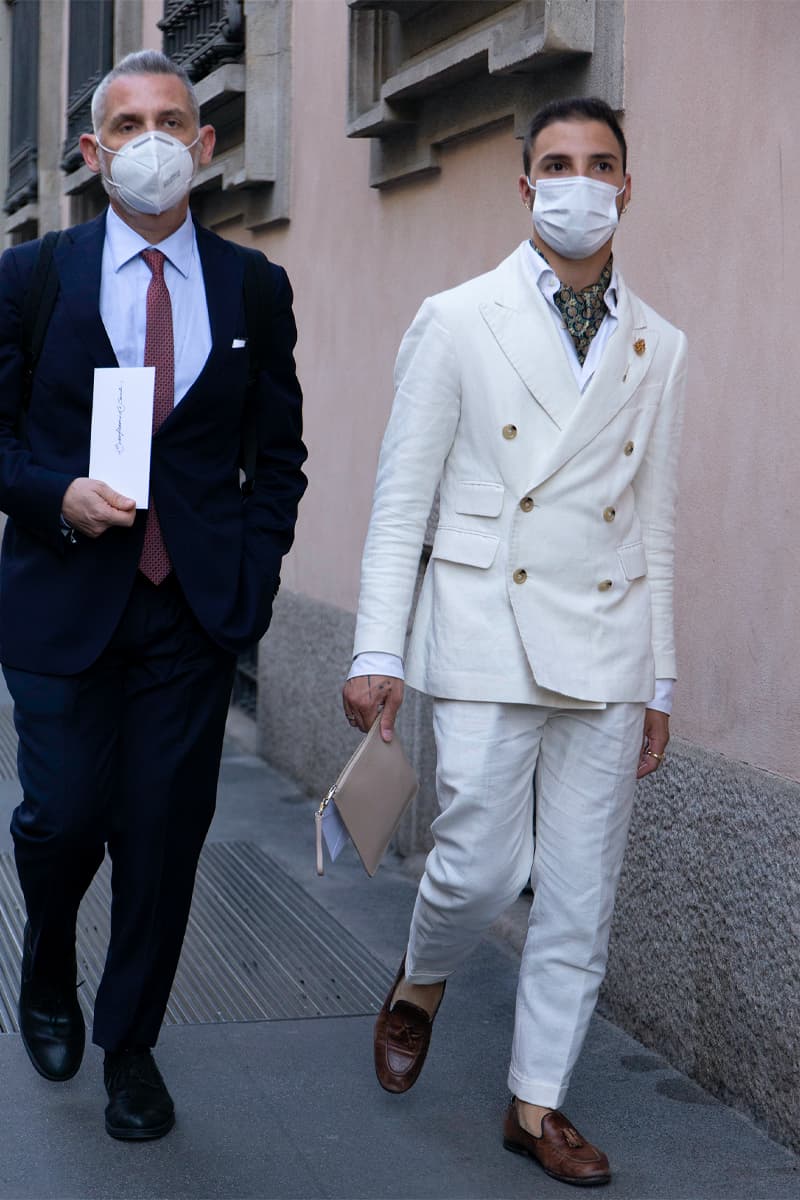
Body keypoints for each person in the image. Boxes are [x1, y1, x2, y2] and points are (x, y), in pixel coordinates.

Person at [343, 96, 686, 1188]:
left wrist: (660, 675)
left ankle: (535, 1106)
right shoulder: (454, 319)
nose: (577, 181)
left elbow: (656, 520)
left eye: (599, 164)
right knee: (478, 863)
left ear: (626, 186)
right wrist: (374, 650)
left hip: (606, 642)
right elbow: (401, 502)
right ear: (524, 182)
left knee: (580, 896)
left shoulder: (659, 344)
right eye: (555, 163)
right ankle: (424, 971)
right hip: (487, 621)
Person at [0, 51, 306, 1140]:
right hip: (60, 601)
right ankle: (44, 963)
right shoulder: (34, 279)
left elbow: (279, 458)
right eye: (127, 125)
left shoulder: (252, 288)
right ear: (93, 154)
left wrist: (252, 579)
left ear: (207, 142)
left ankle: (131, 1049)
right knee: (62, 816)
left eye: (171, 119)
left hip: (190, 613)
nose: (152, 141)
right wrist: (52, 493)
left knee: (161, 835)